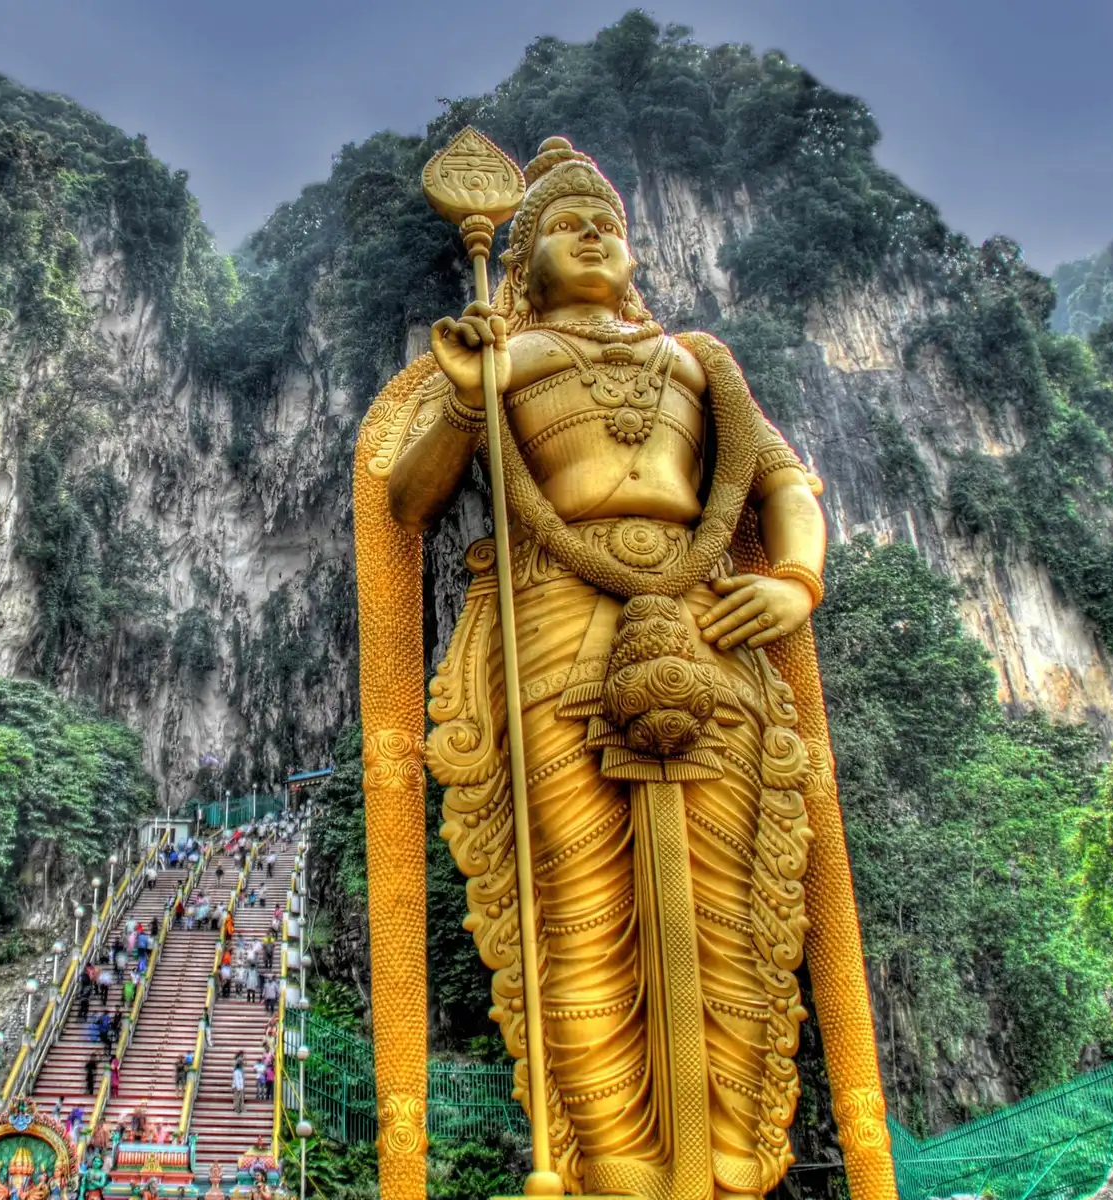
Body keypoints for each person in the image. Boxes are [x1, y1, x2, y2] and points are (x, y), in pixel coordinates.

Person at [364, 136, 852, 1198]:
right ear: (526, 255)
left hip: (704, 622)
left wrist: (796, 582)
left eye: (613, 226)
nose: (597, 235)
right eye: (571, 224)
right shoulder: (503, 361)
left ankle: (727, 1155)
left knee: (733, 902)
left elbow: (785, 486)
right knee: (574, 904)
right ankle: (615, 1167)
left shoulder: (697, 364)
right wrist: (462, 394)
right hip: (553, 628)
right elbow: (407, 500)